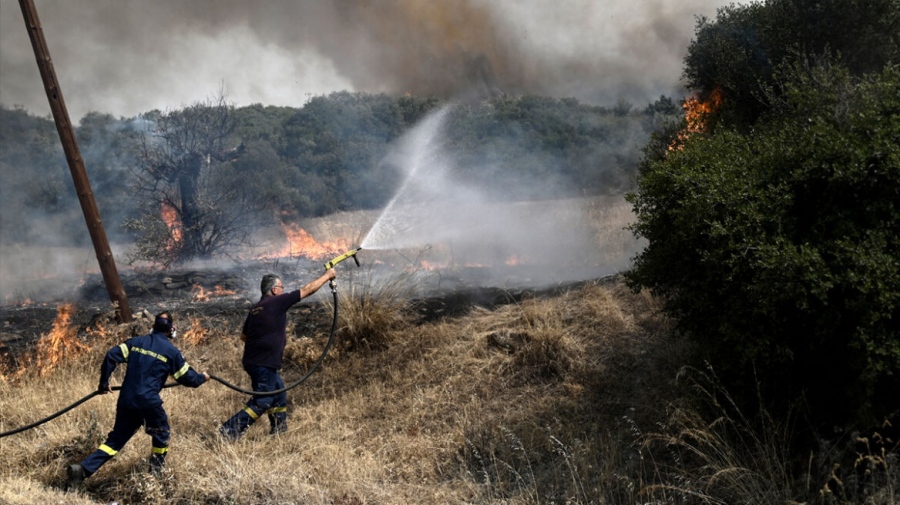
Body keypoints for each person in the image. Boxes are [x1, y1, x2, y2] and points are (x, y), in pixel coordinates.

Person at [67, 311, 209, 489]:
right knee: (161, 433)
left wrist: (104, 383)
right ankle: (156, 476)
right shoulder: (172, 352)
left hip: (127, 400)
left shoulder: (136, 343)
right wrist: (204, 377)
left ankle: (82, 470)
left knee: (116, 440)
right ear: (171, 330)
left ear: (153, 327)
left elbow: (111, 355)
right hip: (149, 402)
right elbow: (189, 379)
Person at [219, 269, 335, 440]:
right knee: (263, 400)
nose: (283, 289)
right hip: (262, 363)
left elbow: (244, 337)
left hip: (257, 361)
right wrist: (328, 276)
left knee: (279, 393)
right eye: (281, 286)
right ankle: (229, 430)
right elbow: (308, 290)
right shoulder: (276, 302)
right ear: (274, 290)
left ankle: (279, 432)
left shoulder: (256, 308)